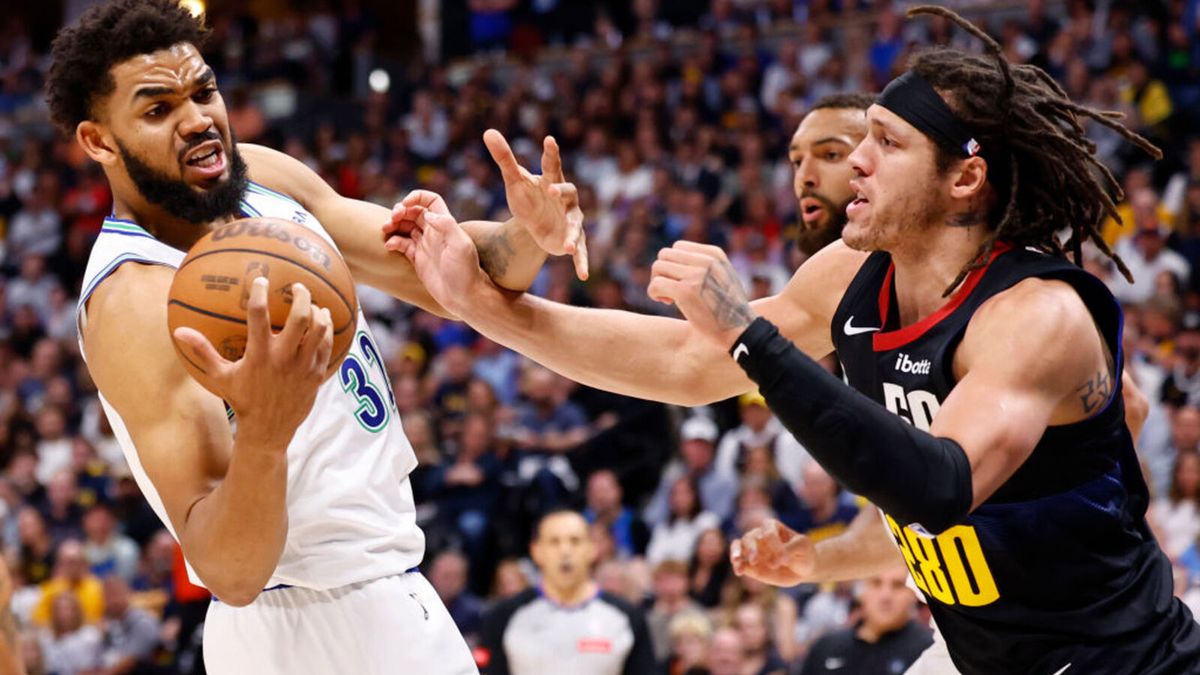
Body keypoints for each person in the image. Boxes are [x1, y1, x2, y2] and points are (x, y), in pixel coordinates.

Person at [396, 6, 1200, 673]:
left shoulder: (1035, 315)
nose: (857, 165)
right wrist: (485, 308)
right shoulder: (852, 277)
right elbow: (684, 363)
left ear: (964, 179)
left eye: (886, 143)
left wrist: (748, 334)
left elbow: (937, 487)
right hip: (982, 652)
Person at [48, 1, 583, 672]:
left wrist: (529, 235)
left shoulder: (257, 176)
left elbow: (442, 278)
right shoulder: (134, 301)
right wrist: (266, 431)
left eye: (204, 92)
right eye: (158, 110)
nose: (198, 120)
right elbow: (230, 570)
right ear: (98, 141)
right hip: (296, 622)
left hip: (384, 589)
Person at [478, 510, 655, 675]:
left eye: (575, 541)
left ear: (592, 549)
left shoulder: (627, 617)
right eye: (554, 542)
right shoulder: (503, 617)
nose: (565, 551)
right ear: (536, 551)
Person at [800, 567, 933, 675]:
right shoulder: (826, 647)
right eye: (876, 583)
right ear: (861, 590)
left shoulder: (929, 651)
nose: (885, 595)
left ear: (914, 593)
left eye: (897, 585)